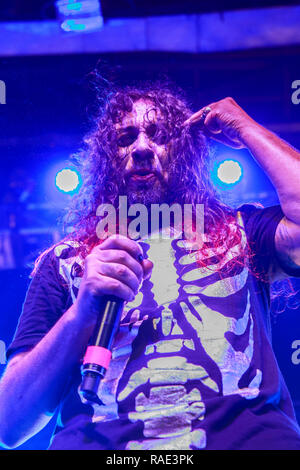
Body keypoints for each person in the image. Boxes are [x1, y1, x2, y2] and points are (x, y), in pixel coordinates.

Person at [0, 83, 300, 450]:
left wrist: (246, 127)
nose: (142, 148)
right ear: (106, 158)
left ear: (184, 150)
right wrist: (82, 312)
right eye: (126, 137)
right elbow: (9, 423)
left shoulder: (240, 231)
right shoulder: (68, 260)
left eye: (158, 135)